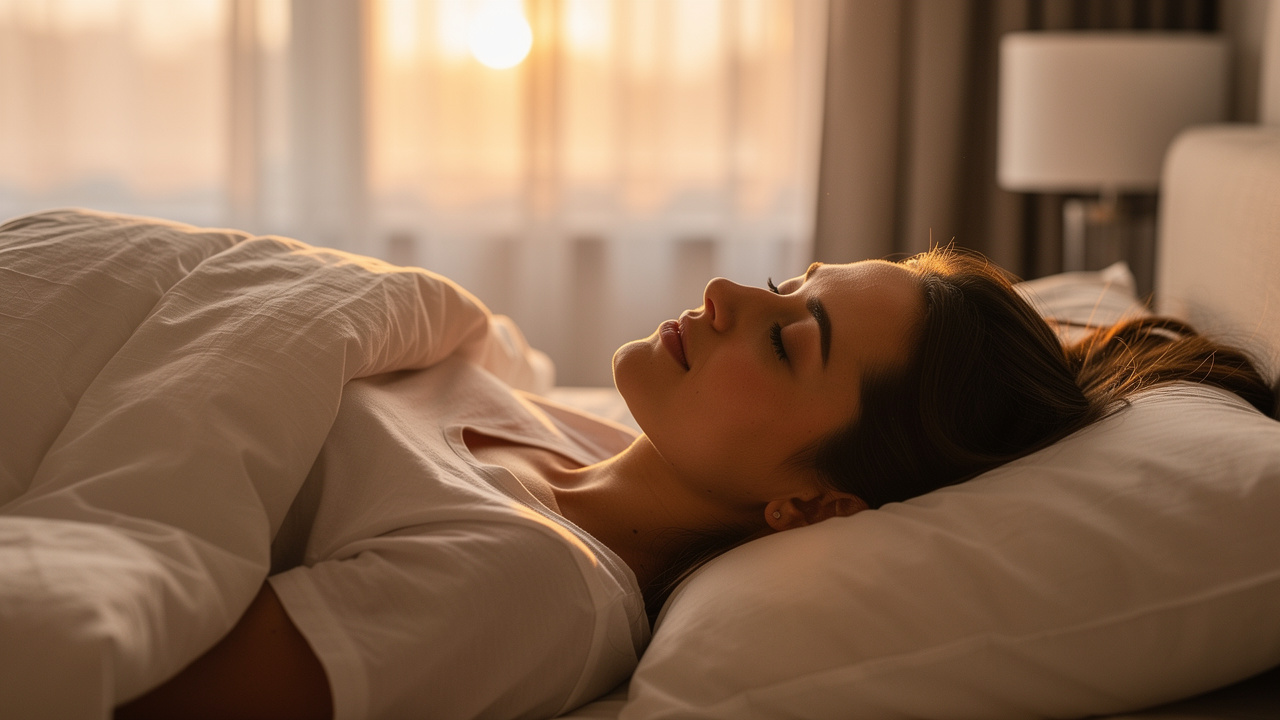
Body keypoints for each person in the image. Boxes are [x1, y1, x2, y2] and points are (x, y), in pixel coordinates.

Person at [2, 212, 1274, 720]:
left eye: (790, 340)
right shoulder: (556, 424)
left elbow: (163, 688)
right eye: (785, 284)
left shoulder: (535, 591)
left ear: (810, 503)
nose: (724, 293)